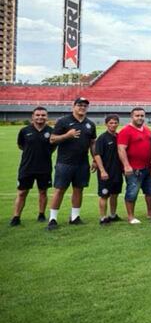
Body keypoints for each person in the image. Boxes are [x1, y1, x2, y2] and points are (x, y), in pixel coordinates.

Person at [46, 97, 97, 230]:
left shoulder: (90, 124)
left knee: (78, 189)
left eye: (85, 105)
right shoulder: (64, 121)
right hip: (65, 163)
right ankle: (52, 219)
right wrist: (67, 135)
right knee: (60, 189)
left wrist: (95, 159)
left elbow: (92, 143)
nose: (82, 107)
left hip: (82, 163)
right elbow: (52, 139)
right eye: (79, 105)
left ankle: (74, 217)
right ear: (73, 106)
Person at [11, 106, 54, 226]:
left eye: (43, 115)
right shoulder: (24, 131)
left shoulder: (51, 131)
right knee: (22, 192)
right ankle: (16, 217)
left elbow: (53, 147)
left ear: (47, 117)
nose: (40, 117)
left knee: (43, 192)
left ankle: (41, 214)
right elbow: (21, 145)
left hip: (44, 168)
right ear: (33, 116)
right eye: (38, 115)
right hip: (27, 167)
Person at [117, 107, 151, 225]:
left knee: (150, 191)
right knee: (132, 192)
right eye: (137, 116)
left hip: (147, 167)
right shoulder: (126, 131)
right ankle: (130, 216)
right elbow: (121, 149)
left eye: (142, 116)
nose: (140, 118)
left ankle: (150, 213)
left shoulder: (148, 130)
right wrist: (126, 165)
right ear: (132, 116)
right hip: (134, 168)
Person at [92, 114, 123, 226]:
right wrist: (102, 170)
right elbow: (97, 155)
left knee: (115, 194)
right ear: (106, 124)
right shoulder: (102, 138)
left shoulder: (119, 137)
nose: (113, 125)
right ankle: (103, 217)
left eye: (115, 123)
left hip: (117, 172)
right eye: (111, 123)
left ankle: (113, 215)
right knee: (104, 195)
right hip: (106, 172)